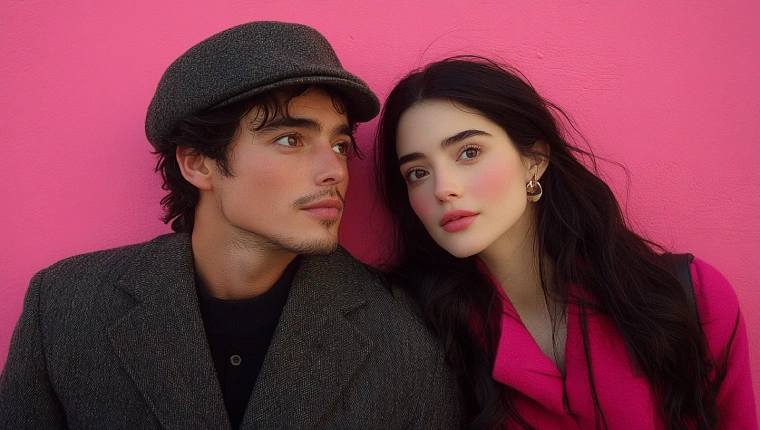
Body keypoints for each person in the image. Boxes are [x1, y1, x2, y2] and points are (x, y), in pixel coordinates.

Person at [0, 22, 463, 429]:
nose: (335, 171)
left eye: (340, 145)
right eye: (290, 139)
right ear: (198, 163)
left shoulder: (404, 334)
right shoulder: (65, 307)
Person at [375, 56, 756, 429]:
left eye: (469, 152)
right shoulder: (416, 333)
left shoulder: (690, 298)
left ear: (535, 160)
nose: (443, 189)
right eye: (418, 172)